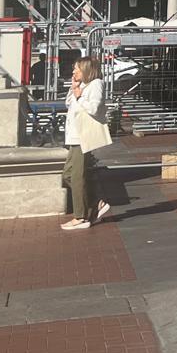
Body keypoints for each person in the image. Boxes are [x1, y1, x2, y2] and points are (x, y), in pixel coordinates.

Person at [62, 58, 112, 230]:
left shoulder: (96, 84)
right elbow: (68, 102)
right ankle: (95, 202)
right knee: (68, 174)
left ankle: (80, 216)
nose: (73, 72)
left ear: (86, 70)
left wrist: (80, 96)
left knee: (76, 176)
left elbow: (94, 108)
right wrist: (74, 88)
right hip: (74, 136)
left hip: (82, 136)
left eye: (76, 69)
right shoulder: (82, 85)